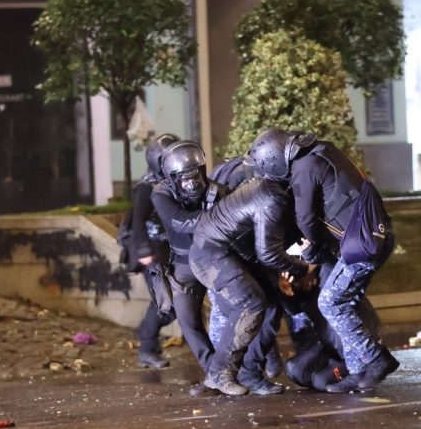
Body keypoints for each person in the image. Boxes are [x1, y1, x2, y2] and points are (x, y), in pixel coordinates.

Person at [245, 129, 397, 393]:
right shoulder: (324, 151)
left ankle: (377, 359)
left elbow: (305, 219)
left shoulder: (304, 168)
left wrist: (311, 248)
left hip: (360, 246)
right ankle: (358, 372)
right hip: (375, 237)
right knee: (341, 300)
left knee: (330, 302)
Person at [189, 174, 315, 396]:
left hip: (234, 254)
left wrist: (284, 270)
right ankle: (220, 373)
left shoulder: (273, 191)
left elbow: (268, 244)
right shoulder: (272, 197)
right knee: (250, 303)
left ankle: (246, 373)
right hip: (212, 254)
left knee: (271, 307)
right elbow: (268, 253)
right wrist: (303, 269)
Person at [151, 140, 227, 396]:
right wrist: (216, 217)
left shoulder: (219, 191)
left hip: (215, 260)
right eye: (183, 178)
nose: (191, 183)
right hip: (183, 265)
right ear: (172, 178)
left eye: (195, 175)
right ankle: (215, 374)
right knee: (187, 320)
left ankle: (243, 370)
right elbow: (179, 222)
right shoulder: (161, 193)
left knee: (231, 314)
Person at [130, 134, 180, 369]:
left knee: (173, 303)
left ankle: (146, 336)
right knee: (164, 303)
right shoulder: (146, 187)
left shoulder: (174, 182)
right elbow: (137, 221)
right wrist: (144, 252)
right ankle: (147, 348)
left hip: (169, 249)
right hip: (153, 250)